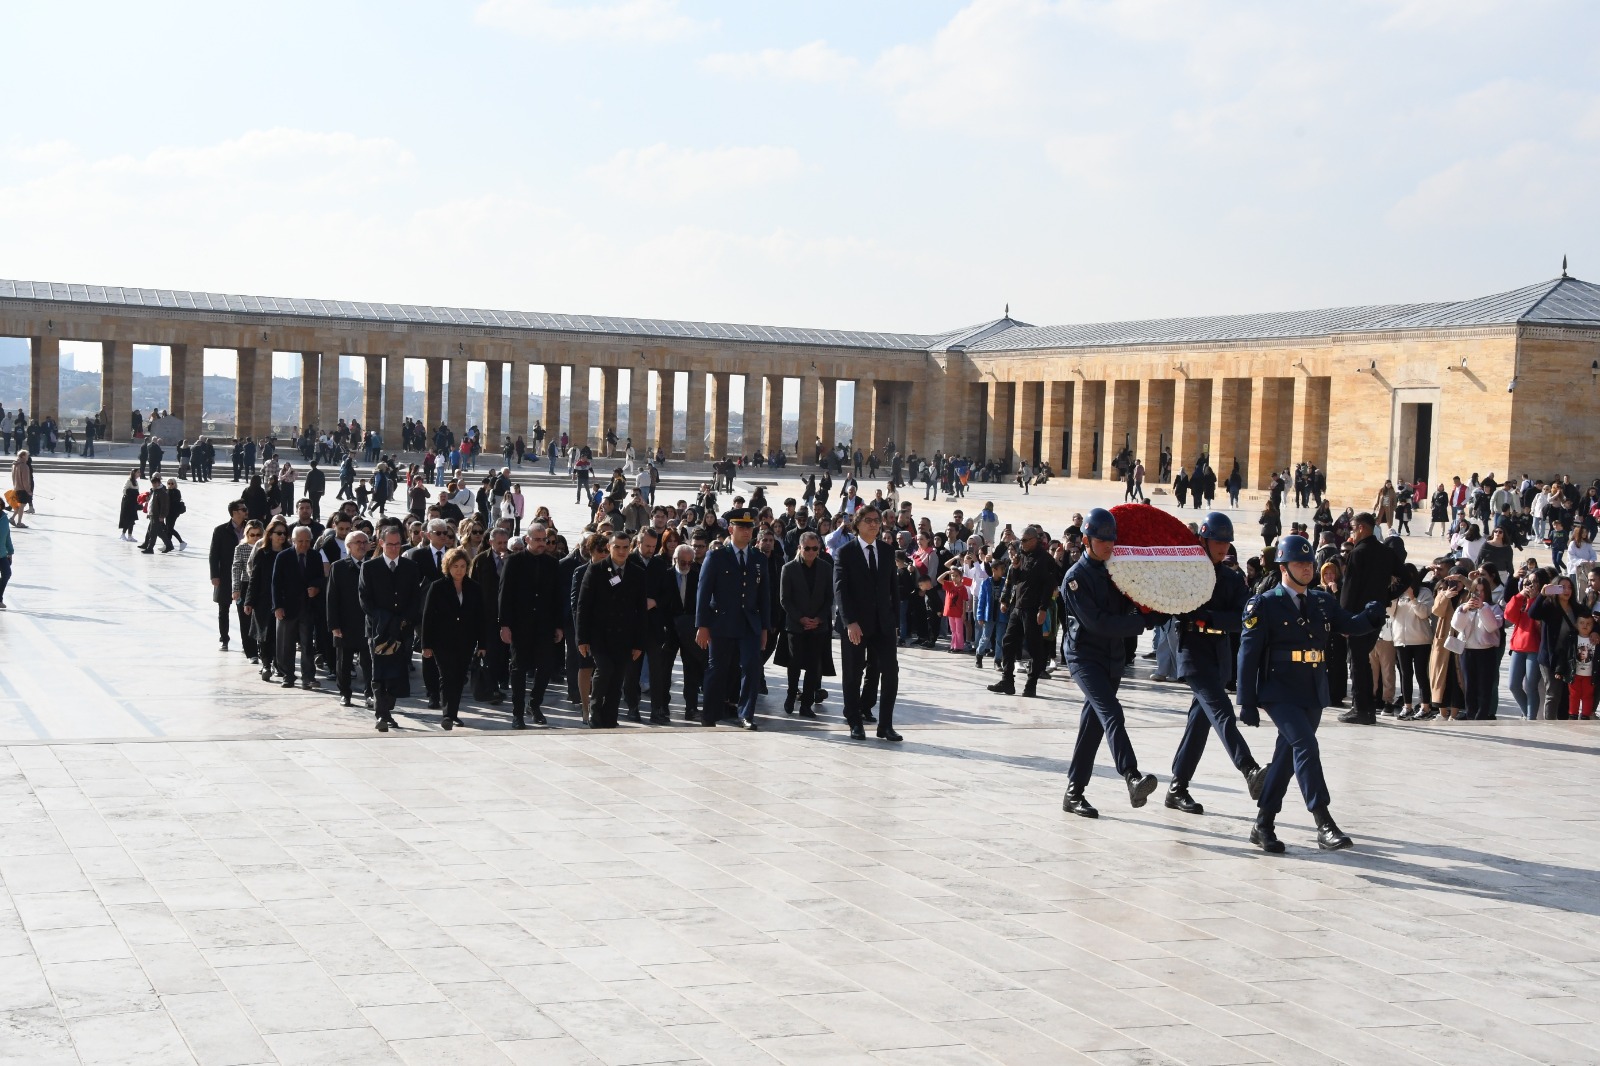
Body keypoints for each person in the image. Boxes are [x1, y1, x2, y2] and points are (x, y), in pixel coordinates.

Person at [1236, 534, 1386, 853]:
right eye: (1300, 563)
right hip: (1278, 689)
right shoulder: (1264, 603)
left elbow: (1349, 624)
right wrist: (1246, 701)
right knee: (1305, 744)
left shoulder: (1321, 601)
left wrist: (1370, 618)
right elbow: (1247, 655)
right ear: (1283, 567)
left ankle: (1263, 824)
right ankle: (1323, 822)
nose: (1307, 568)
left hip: (1312, 688)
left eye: (1309, 562)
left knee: (1286, 757)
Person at [1059, 508, 1163, 818]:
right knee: (1111, 713)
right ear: (1087, 540)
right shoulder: (1075, 578)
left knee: (1093, 725)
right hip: (1085, 658)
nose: (1109, 546)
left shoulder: (1116, 571)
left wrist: (1152, 609)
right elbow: (1099, 623)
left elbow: (1131, 604)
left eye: (1112, 540)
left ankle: (1073, 793)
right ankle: (1131, 776)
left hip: (1112, 658)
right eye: (1103, 540)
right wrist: (1141, 624)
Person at [1165, 513, 1267, 815]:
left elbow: (1245, 618)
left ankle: (1177, 787)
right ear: (1204, 541)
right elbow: (1177, 608)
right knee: (1221, 710)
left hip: (1219, 654)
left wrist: (1210, 617)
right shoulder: (1186, 573)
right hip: (1192, 652)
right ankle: (1248, 768)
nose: (1223, 547)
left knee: (1199, 722)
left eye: (1226, 542)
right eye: (1218, 541)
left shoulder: (1233, 579)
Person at [696, 509, 772, 729]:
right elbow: (704, 591)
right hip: (722, 621)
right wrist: (702, 624)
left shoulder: (758, 558)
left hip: (749, 623)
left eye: (750, 527)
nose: (747, 532)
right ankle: (710, 714)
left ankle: (746, 713)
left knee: (751, 667)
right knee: (717, 668)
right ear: (731, 529)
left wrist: (765, 628)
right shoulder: (717, 556)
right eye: (742, 527)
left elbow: (764, 596)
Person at [834, 504, 902, 741]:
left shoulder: (886, 550)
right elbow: (841, 590)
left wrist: (895, 622)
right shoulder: (845, 552)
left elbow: (892, 589)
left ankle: (886, 724)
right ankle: (855, 721)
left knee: (890, 672)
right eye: (868, 520)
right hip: (856, 625)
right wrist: (849, 621)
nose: (874, 524)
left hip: (883, 623)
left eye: (877, 520)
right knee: (852, 674)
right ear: (858, 524)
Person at [577, 531, 647, 729]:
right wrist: (582, 638)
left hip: (625, 635)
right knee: (605, 668)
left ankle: (610, 716)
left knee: (617, 676)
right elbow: (583, 605)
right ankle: (595, 709)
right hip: (599, 634)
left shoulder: (637, 573)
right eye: (617, 547)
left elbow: (641, 610)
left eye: (625, 547)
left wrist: (639, 642)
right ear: (609, 547)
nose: (621, 551)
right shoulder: (596, 570)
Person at [498, 522, 565, 727]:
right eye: (536, 539)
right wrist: (504, 624)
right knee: (518, 669)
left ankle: (535, 704)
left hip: (544, 625)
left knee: (545, 667)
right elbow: (505, 594)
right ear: (527, 539)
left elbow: (557, 596)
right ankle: (517, 712)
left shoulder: (552, 563)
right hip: (520, 625)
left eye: (543, 539)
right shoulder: (514, 561)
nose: (541, 543)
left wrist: (559, 625)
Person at [1336, 513, 1398, 725]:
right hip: (1376, 614)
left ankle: (1360, 709)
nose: (1351, 532)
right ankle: (1367, 709)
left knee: (1357, 661)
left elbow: (1349, 588)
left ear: (1362, 527)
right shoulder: (1386, 552)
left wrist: (1344, 619)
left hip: (1358, 616)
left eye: (1353, 528)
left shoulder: (1358, 553)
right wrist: (1385, 596)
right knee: (1362, 660)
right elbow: (1407, 577)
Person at [360, 525, 423, 731]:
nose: (394, 548)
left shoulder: (410, 567)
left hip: (402, 630)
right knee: (379, 672)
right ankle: (382, 714)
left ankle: (387, 710)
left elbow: (415, 597)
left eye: (398, 544)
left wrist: (405, 619)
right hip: (378, 629)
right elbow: (365, 599)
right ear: (381, 543)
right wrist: (384, 618)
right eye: (390, 544)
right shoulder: (370, 567)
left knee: (396, 672)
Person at [988, 525, 1058, 696]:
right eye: (1021, 540)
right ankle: (1007, 681)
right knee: (1008, 642)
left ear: (1035, 540)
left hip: (1033, 609)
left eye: (1025, 540)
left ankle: (1031, 684)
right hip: (1018, 607)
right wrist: (1016, 568)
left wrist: (1042, 609)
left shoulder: (1045, 559)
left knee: (1035, 647)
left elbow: (1049, 587)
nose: (1022, 544)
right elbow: (1014, 580)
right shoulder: (1021, 557)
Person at [420, 547, 485, 729]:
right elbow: (428, 617)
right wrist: (426, 644)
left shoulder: (474, 588)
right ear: (448, 567)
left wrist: (482, 643)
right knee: (447, 676)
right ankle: (447, 715)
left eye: (463, 566)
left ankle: (453, 713)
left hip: (466, 640)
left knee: (458, 677)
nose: (459, 570)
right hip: (443, 641)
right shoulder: (438, 586)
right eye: (455, 566)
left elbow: (481, 617)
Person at [779, 531, 833, 717]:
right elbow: (785, 599)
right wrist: (800, 618)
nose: (811, 552)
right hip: (796, 625)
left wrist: (818, 619)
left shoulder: (826, 568)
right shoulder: (789, 568)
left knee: (813, 666)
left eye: (814, 548)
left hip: (818, 627)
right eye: (807, 548)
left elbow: (829, 598)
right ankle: (791, 694)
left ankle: (806, 704)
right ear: (800, 548)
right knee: (794, 663)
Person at [404, 519, 453, 709]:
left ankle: (445, 691)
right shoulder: (418, 555)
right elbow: (411, 585)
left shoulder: (453, 555)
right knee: (428, 653)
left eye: (446, 533)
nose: (443, 537)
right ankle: (432, 693)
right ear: (428, 534)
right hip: (424, 612)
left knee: (447, 655)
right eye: (439, 533)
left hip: (448, 613)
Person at [272, 525, 326, 690]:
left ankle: (308, 676)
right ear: (293, 540)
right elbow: (275, 583)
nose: (304, 544)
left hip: (308, 607)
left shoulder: (315, 556)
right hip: (287, 607)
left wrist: (315, 587)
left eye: (307, 541)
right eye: (300, 541)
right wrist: (277, 606)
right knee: (286, 644)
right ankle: (287, 675)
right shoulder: (283, 557)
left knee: (307, 644)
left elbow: (321, 578)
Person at [326, 529, 373, 708]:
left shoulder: (372, 565)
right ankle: (345, 693)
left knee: (368, 662)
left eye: (364, 542)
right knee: (343, 663)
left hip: (367, 623)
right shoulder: (338, 567)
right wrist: (334, 625)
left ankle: (370, 693)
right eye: (357, 542)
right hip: (344, 623)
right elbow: (332, 598)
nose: (362, 545)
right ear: (348, 547)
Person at [662, 541, 706, 720]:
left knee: (692, 669)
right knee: (665, 669)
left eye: (690, 562)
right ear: (675, 560)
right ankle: (663, 705)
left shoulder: (698, 576)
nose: (686, 566)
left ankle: (691, 707)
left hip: (690, 629)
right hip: (670, 628)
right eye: (682, 562)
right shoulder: (665, 576)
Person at [208, 501, 249, 651]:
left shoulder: (251, 528)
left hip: (245, 575)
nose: (246, 511)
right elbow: (214, 554)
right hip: (225, 574)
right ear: (234, 512)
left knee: (245, 609)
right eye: (243, 509)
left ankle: (248, 642)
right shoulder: (220, 530)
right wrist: (214, 575)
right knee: (223, 608)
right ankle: (224, 639)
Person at [139, 476, 174, 554]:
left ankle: (150, 548)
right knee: (159, 532)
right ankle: (169, 545)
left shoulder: (162, 493)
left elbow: (164, 506)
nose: (154, 484)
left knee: (153, 532)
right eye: (153, 483)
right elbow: (151, 504)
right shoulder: (154, 491)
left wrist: (162, 516)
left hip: (157, 515)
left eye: (155, 483)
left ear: (159, 483)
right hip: (152, 515)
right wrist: (149, 513)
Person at [118, 469, 141, 541]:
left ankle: (130, 535)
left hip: (133, 503)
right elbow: (124, 490)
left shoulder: (136, 482)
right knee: (127, 519)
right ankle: (123, 534)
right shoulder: (129, 481)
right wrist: (131, 495)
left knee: (132, 519)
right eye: (138, 472)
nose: (139, 474)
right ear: (134, 473)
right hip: (128, 503)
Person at [0, 507, 12, 609]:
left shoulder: (4, 518)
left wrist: (10, 551)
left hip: (2, 553)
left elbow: (7, 535)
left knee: (7, 573)